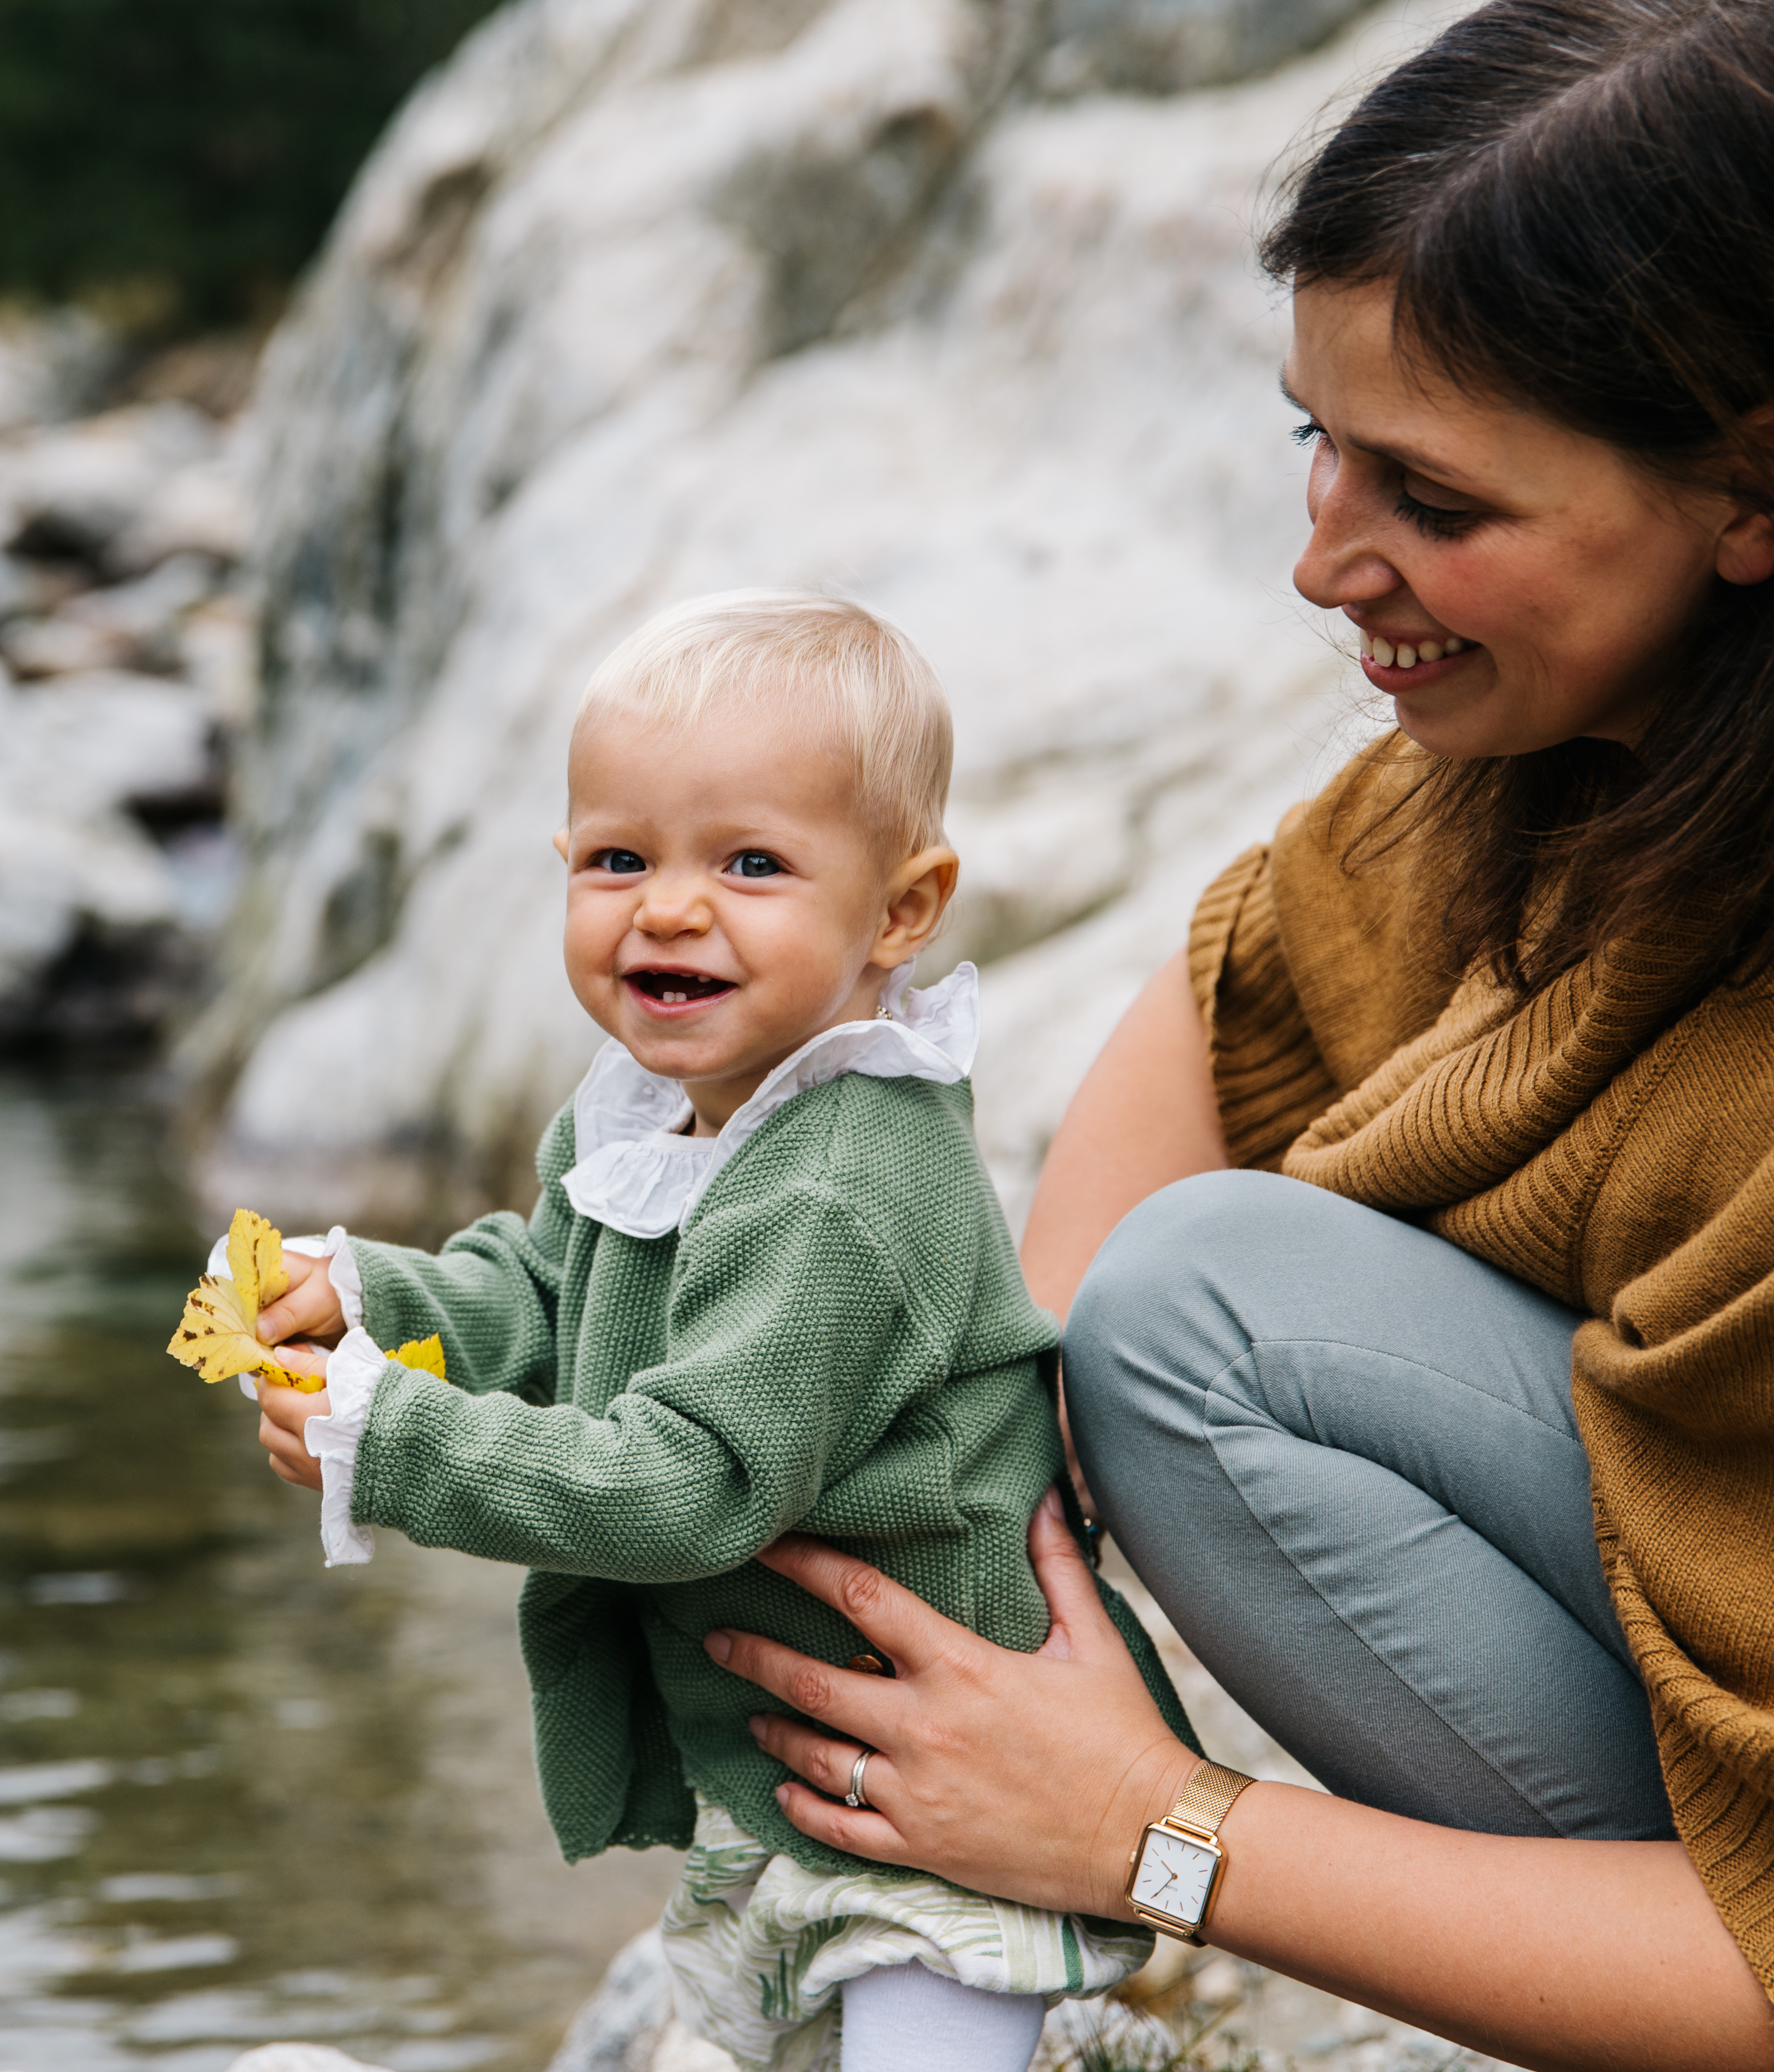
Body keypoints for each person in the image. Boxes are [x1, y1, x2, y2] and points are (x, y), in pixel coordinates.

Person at [692, 3, 1774, 2069]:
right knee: (1142, 1324)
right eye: (1310, 440)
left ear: (1761, 488)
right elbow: (1243, 998)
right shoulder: (1628, 740)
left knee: (1189, 1313)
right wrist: (992, 1517)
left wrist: (1146, 1832)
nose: (1325, 559)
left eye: (1426, 491)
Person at [235, 590, 1197, 2072]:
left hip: (947, 1807)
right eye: (618, 859)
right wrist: (377, 1301)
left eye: (751, 864)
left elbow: (687, 1485)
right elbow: (553, 1296)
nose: (668, 908)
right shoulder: (653, 1116)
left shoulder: (843, 1186)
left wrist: (400, 1441)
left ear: (901, 910)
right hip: (797, 1783)